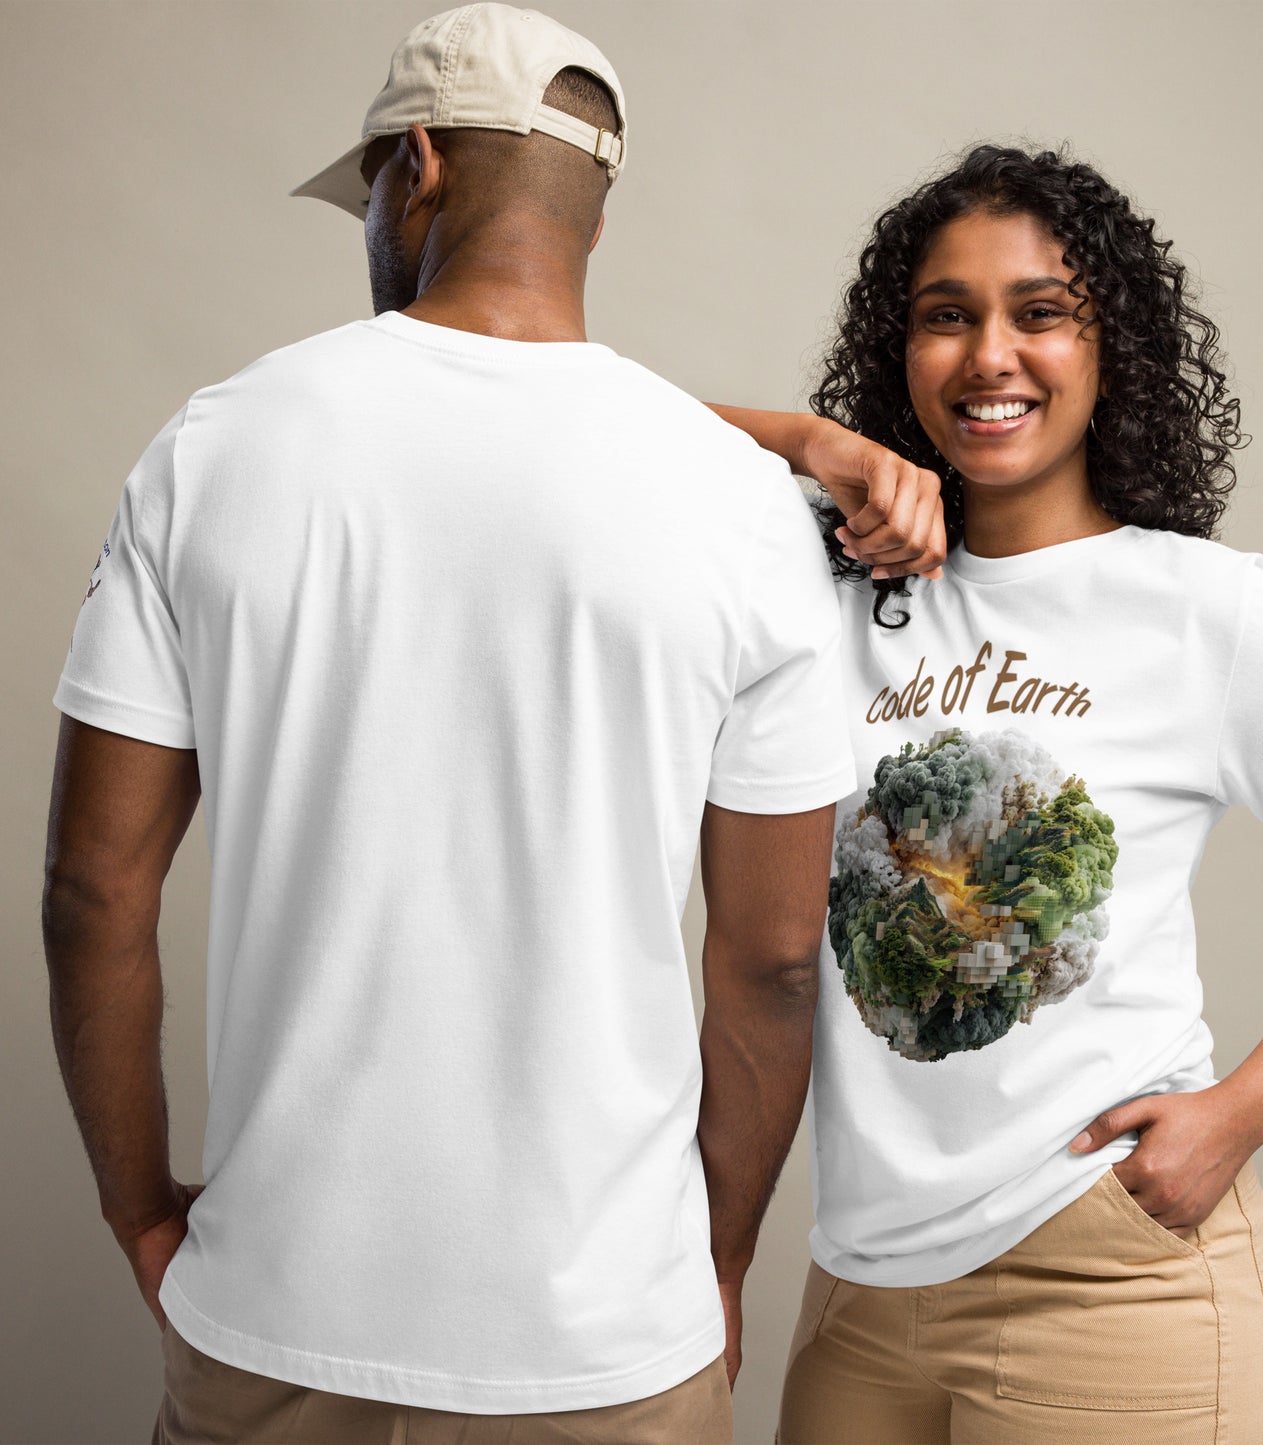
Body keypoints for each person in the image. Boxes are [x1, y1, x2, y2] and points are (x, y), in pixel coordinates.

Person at [40, 6, 857, 1442]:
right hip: (606, 1342)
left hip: (274, 1316)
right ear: (594, 212)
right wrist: (711, 1266)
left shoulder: (215, 447)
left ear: (411, 169)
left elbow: (93, 887)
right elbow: (773, 960)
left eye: (364, 186)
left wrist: (139, 1212)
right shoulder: (740, 506)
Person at [713, 143, 1263, 1443]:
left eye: (1039, 312)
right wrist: (812, 444)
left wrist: (1238, 1112)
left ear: (1113, 348)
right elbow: (586, 436)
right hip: (859, 1287)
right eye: (947, 316)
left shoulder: (1204, 612)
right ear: (900, 348)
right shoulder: (819, 591)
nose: (989, 354)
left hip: (1108, 1276)